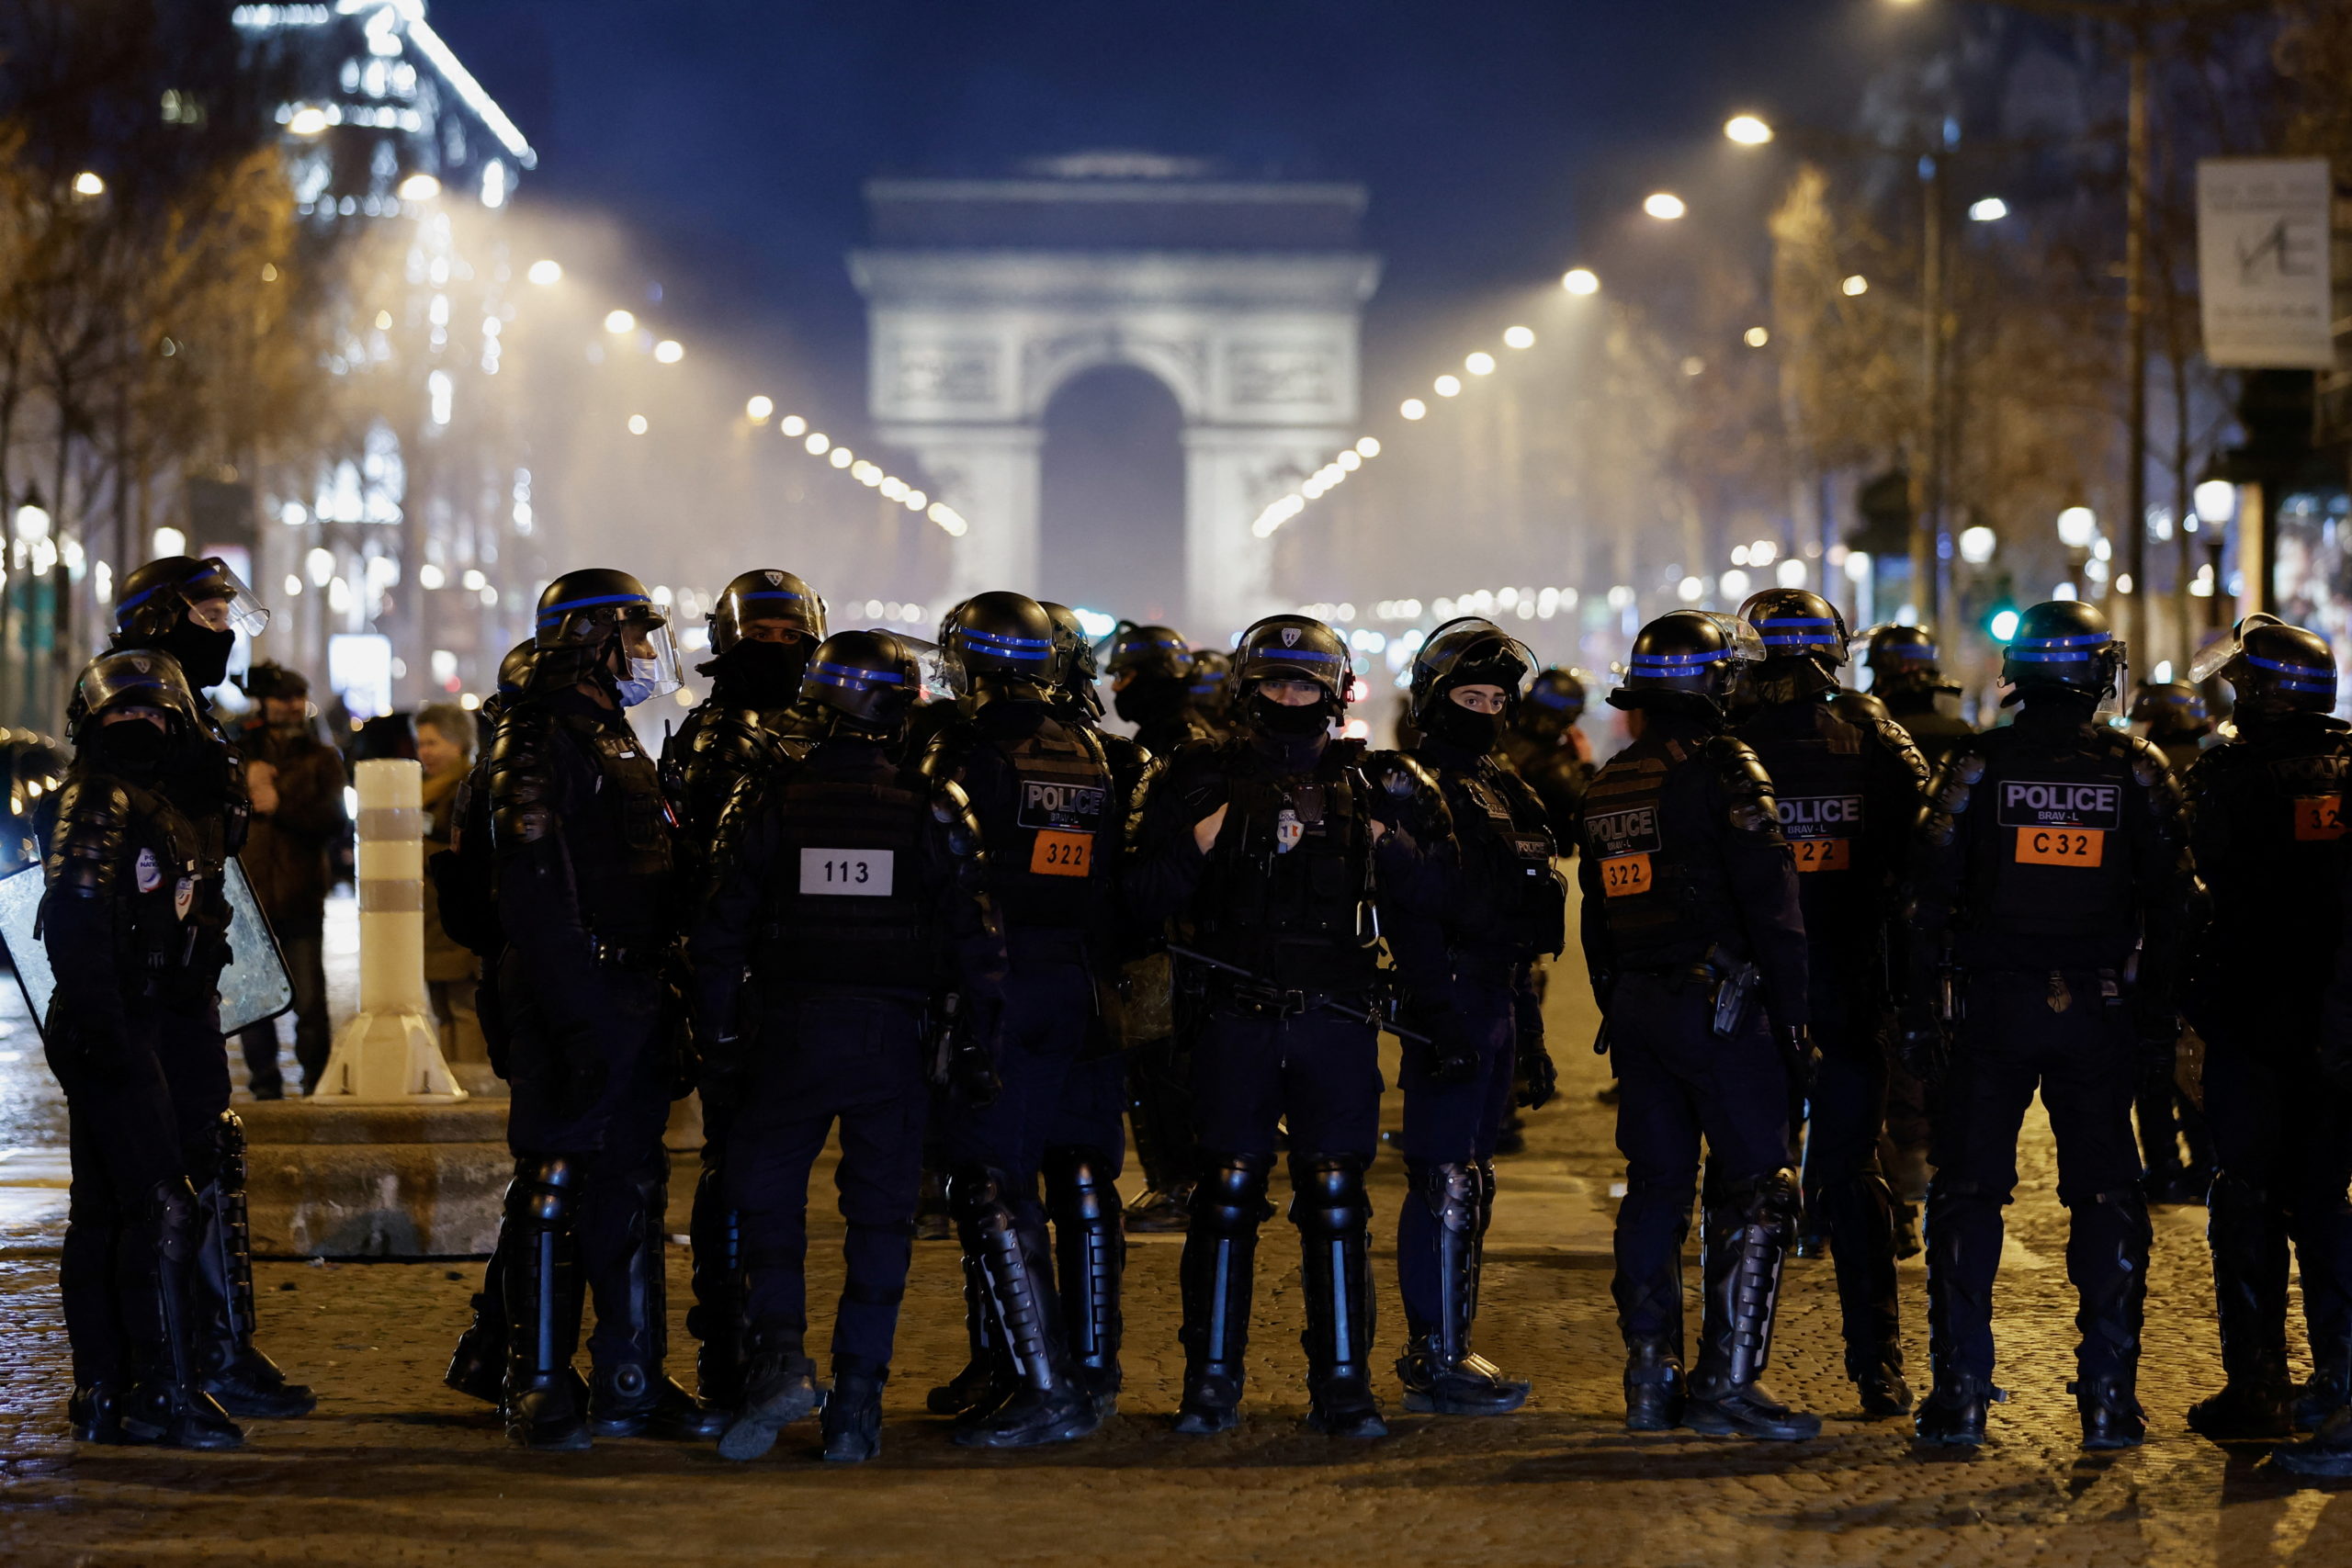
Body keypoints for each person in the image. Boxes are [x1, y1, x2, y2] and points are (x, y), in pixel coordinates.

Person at [1125, 614, 1447, 1438]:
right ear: (1248, 687)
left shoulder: (1375, 784)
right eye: (1276, 681)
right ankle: (1210, 1384)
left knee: (1337, 1197)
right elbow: (1133, 900)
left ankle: (1342, 1384)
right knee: (1225, 1196)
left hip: (1335, 1023)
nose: (1290, 696)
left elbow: (1442, 901)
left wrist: (1392, 848)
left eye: (1305, 683)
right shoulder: (1198, 778)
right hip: (1234, 1019)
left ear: (1333, 692)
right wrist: (1202, 841)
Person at [691, 628, 1009, 1464]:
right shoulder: (935, 807)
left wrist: (717, 1040)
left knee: (765, 1203)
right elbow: (978, 945)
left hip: (786, 1033)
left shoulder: (768, 800)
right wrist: (978, 1046)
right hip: (892, 1040)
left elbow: (718, 934)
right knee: (879, 1220)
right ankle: (858, 1403)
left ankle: (781, 1363)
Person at [1901, 600, 2194, 1450]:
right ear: (2099, 672)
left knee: (1966, 1195)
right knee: (2106, 1195)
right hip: (2099, 1007)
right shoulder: (2135, 768)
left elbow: (1921, 895)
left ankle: (1957, 1392)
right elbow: (2179, 900)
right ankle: (2108, 1398)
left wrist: (1920, 1011)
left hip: (1990, 1006)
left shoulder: (1976, 765)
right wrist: (2157, 1017)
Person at [486, 569, 720, 1450]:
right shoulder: (537, 737)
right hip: (571, 988)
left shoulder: (608, 732)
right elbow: (535, 886)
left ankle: (632, 1377)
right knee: (554, 1178)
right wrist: (575, 1008)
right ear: (591, 639)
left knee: (634, 1183)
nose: (645, 654)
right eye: (634, 635)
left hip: (632, 986)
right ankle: (538, 1383)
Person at [1579, 609, 1818, 1442]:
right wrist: (1797, 1022)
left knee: (1655, 1192)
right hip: (1724, 1008)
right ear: (1718, 683)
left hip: (1641, 1009)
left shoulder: (1613, 779)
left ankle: (1650, 1379)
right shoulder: (1726, 768)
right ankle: (1726, 1382)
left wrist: (1624, 1004)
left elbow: (1597, 922)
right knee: (1760, 1189)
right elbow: (1774, 902)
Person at [107, 556, 312, 1423]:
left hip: (194, 976)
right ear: (161, 619)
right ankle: (162, 1362)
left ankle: (221, 1343)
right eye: (210, 607)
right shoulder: (134, 712)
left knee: (210, 1155)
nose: (224, 623)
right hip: (144, 982)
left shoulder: (197, 714)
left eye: (231, 607)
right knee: (155, 1178)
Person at [921, 592, 1125, 1448]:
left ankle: (1043, 1387)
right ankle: (1085, 1371)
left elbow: (942, 869)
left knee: (992, 1183)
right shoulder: (1091, 751)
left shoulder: (956, 749)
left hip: (998, 983)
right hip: (1082, 983)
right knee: (1080, 1174)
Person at [1731, 589, 1929, 1418]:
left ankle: (1729, 1370)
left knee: (1747, 1181)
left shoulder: (1723, 736)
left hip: (1755, 995)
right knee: (1854, 1178)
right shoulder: (1875, 734)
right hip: (1849, 986)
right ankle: (1878, 1367)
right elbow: (1926, 851)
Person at [42, 652, 245, 1449]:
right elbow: (75, 911)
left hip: (129, 1015)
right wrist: (106, 1024)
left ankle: (103, 1392)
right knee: (158, 1201)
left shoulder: (150, 800)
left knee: (106, 1209)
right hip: (113, 1018)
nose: (139, 728)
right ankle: (162, 1391)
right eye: (121, 716)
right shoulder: (101, 799)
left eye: (153, 715)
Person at [2177, 617, 2352, 1446]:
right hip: (2339, 1019)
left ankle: (2259, 1387)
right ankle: (2340, 1381)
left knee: (2245, 1195)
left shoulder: (2228, 776)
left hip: (2252, 1014)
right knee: (2325, 1199)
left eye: (2244, 685)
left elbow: (2200, 890)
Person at [661, 568, 828, 1414]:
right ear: (730, 642)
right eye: (759, 635)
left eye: (787, 634)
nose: (776, 648)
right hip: (742, 978)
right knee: (735, 1172)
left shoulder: (825, 725)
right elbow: (703, 876)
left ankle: (774, 1351)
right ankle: (727, 1355)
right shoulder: (710, 739)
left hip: (818, 976)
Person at [1387, 618, 1564, 1415]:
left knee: (1475, 1179)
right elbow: (1409, 913)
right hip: (1447, 992)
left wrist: (1528, 1028)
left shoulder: (1507, 786)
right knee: (1443, 1177)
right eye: (1471, 693)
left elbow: (1523, 917)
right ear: (1434, 697)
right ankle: (1434, 1351)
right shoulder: (1410, 787)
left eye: (1497, 697)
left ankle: (1455, 1340)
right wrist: (1435, 1011)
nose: (1486, 708)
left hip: (1494, 992)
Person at [232, 663, 346, 1100]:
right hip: (252, 895)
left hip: (301, 895)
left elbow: (334, 821)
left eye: (298, 697)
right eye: (283, 698)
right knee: (256, 1000)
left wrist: (280, 804)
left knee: (311, 1003)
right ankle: (266, 1088)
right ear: (264, 702)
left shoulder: (322, 758)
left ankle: (316, 1084)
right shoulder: (239, 754)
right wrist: (247, 790)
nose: (292, 707)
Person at [2125, 679, 2218, 1203]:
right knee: (2202, 1051)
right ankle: (2207, 1162)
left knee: (2152, 1058)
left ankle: (2162, 1166)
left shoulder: (2142, 767)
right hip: (2208, 935)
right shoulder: (2216, 766)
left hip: (2147, 933)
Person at [416, 702, 483, 1066]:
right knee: (442, 1013)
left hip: (456, 925)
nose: (424, 752)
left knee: (465, 1011)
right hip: (431, 923)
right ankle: (451, 1093)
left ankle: (473, 1101)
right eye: (421, 743)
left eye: (432, 743)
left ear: (458, 743)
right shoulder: (425, 792)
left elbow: (462, 852)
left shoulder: (466, 788)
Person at [1106, 621, 1212, 758]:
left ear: (1151, 677)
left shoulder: (1187, 745)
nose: (1114, 687)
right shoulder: (1159, 734)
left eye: (1122, 676)